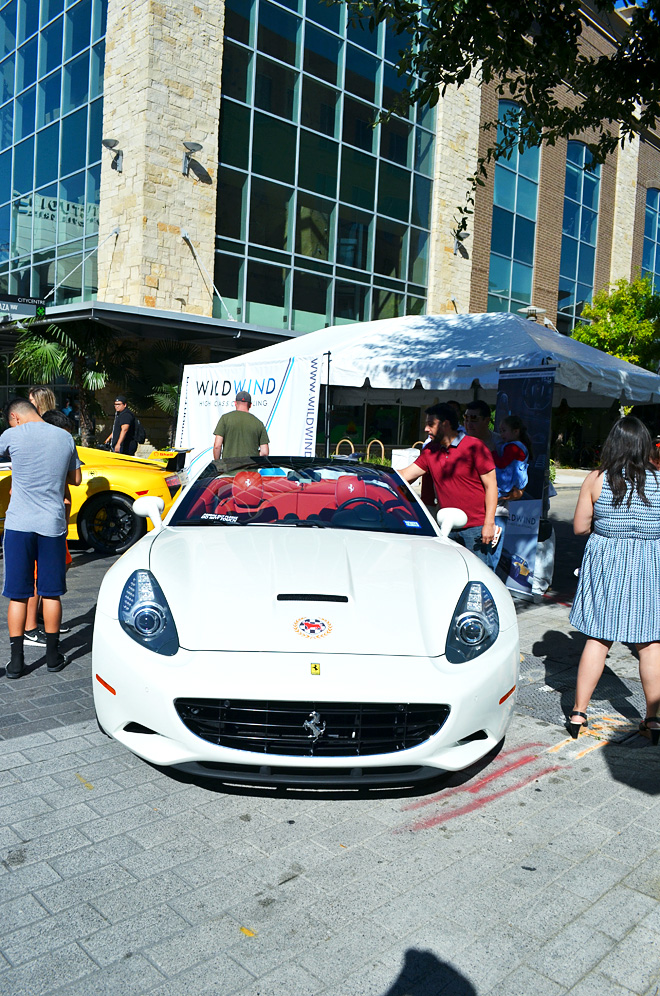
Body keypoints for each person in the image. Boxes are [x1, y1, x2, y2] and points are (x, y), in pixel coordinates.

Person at [567, 416, 660, 743]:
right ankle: (653, 718)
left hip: (607, 563)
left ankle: (578, 712)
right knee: (649, 643)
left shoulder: (596, 479)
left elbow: (579, 527)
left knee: (598, 638)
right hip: (649, 565)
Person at [0, 398, 81, 678]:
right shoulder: (65, 437)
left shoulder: (10, 435)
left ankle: (17, 662)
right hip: (52, 524)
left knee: (18, 594)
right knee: (51, 592)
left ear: (15, 416)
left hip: (19, 524)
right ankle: (53, 656)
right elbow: (77, 479)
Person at [399, 403, 497, 565]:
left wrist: (489, 524)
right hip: (445, 528)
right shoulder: (430, 450)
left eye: (430, 424)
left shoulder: (475, 447)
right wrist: (375, 477)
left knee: (479, 577)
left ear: (445, 424)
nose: (426, 429)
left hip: (475, 529)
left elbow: (491, 486)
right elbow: (405, 475)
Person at [212, 390, 270, 460]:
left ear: (235, 403)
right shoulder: (258, 423)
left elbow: (217, 446)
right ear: (250, 405)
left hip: (229, 469)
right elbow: (264, 452)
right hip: (250, 469)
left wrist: (218, 464)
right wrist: (253, 457)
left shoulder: (225, 419)